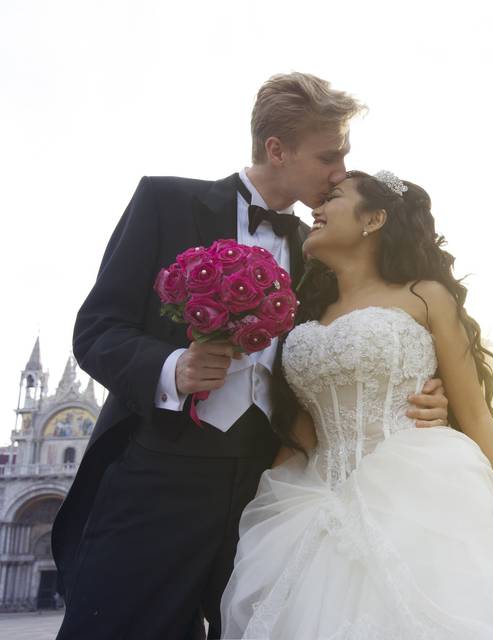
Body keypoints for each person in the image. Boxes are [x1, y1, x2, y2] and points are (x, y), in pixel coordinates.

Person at [52, 74, 449, 640]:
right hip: (161, 472)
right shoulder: (166, 202)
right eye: (329, 156)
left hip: (275, 485)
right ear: (277, 149)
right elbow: (97, 329)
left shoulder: (320, 248)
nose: (340, 171)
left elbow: (363, 333)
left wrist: (425, 391)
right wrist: (173, 369)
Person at [220, 171, 493, 639]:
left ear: (375, 218)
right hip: (315, 501)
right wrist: (270, 500)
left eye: (333, 198)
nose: (313, 210)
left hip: (416, 498)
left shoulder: (426, 296)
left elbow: (476, 413)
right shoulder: (306, 311)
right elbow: (305, 428)